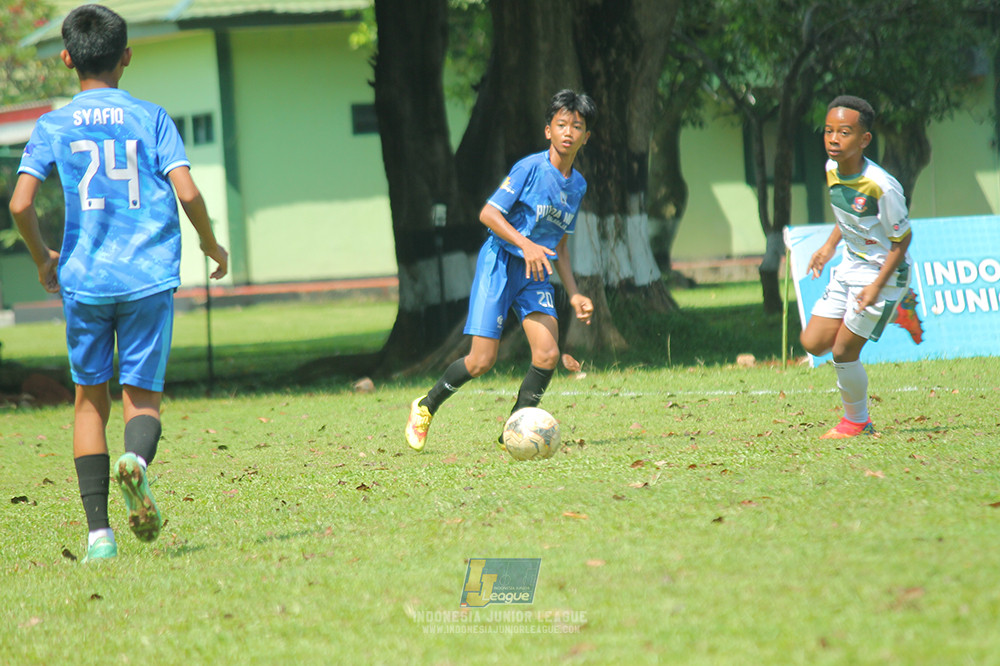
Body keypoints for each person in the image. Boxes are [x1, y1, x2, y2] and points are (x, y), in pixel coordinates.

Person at [9, 4, 228, 562]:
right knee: (142, 396)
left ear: (66, 58)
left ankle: (99, 538)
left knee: (89, 402)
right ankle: (137, 462)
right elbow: (187, 191)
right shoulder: (151, 118)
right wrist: (209, 242)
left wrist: (43, 258)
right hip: (147, 276)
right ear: (126, 56)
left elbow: (21, 203)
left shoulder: (53, 125)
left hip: (85, 280)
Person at [405, 89, 596, 451]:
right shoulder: (529, 168)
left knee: (547, 355)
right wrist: (525, 244)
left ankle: (512, 434)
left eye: (577, 126)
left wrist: (574, 293)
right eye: (561, 125)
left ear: (586, 136)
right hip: (501, 264)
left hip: (536, 273)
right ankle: (425, 406)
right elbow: (488, 214)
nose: (568, 132)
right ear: (548, 131)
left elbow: (560, 245)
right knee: (481, 361)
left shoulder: (578, 185)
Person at [799, 95, 923, 440]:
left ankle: (857, 422)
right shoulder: (831, 169)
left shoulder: (882, 186)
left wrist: (875, 287)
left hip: (884, 274)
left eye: (844, 132)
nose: (833, 139)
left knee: (843, 351)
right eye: (828, 131)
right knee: (813, 342)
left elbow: (902, 242)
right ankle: (897, 312)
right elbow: (848, 217)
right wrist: (828, 247)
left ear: (864, 139)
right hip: (850, 266)